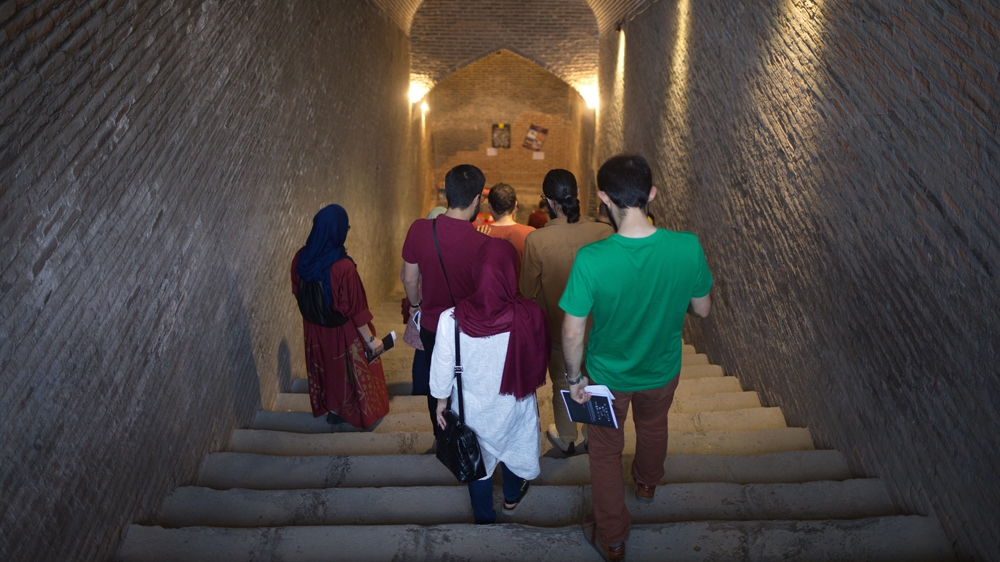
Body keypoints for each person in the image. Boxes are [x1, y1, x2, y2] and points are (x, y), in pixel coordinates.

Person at [560, 155, 713, 562]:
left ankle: (612, 538)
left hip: (605, 376)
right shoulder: (687, 247)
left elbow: (573, 330)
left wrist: (574, 378)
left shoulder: (592, 259)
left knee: (605, 452)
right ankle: (647, 484)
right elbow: (702, 309)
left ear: (603, 197)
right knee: (653, 425)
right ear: (652, 194)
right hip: (661, 370)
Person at [430, 238, 550, 524]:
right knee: (513, 447)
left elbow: (442, 368)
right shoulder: (529, 315)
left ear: (476, 270)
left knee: (478, 460)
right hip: (514, 406)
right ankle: (511, 497)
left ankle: (483, 517)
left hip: (472, 410)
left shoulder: (452, 319)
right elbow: (540, 360)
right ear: (513, 271)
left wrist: (441, 403)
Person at [520, 169, 613, 456]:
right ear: (577, 195)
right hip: (601, 328)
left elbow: (526, 292)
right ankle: (592, 435)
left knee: (563, 380)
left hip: (559, 328)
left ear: (547, 201)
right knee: (595, 378)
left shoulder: (537, 241)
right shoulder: (604, 232)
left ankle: (568, 436)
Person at [402, 165, 490, 435]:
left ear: (447, 193)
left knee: (436, 381)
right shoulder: (482, 244)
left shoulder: (418, 229)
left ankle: (443, 437)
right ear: (477, 199)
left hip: (431, 325)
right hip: (469, 328)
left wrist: (416, 305)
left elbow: (409, 279)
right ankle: (470, 436)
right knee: (469, 384)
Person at [291, 204, 390, 429]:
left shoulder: (300, 258)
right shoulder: (343, 267)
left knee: (329, 366)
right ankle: (358, 412)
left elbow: (297, 290)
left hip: (315, 329)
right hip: (343, 330)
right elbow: (355, 309)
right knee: (352, 368)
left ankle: (334, 409)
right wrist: (370, 340)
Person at [400, 207, 448, 397]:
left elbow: (407, 278)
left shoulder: (418, 247)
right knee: (447, 356)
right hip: (446, 314)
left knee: (422, 354)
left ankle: (419, 394)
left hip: (421, 312)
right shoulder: (450, 250)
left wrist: (415, 304)